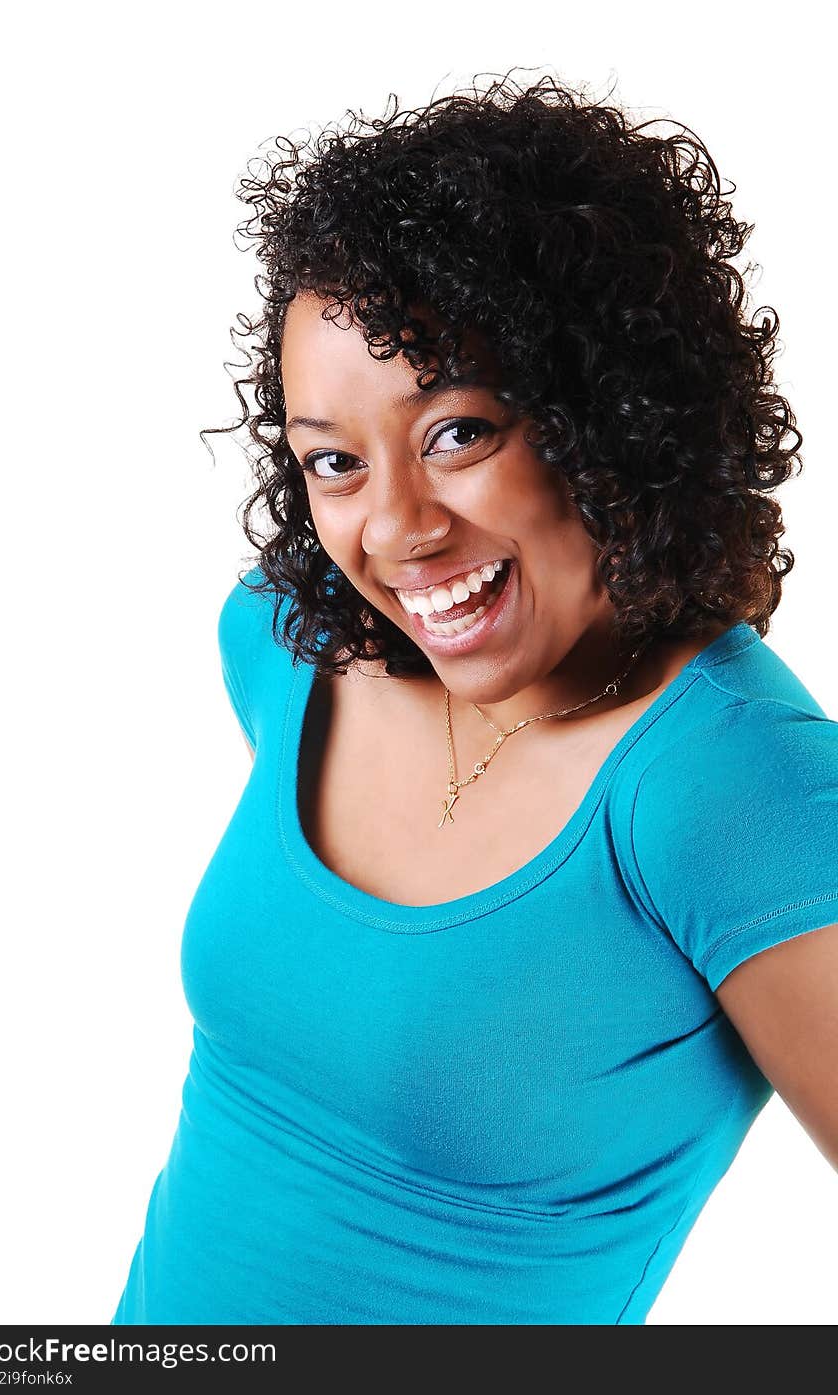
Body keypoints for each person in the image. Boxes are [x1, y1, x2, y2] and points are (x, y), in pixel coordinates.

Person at [111, 71, 838, 1326]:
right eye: (333, 461)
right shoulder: (285, 650)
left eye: (457, 432)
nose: (394, 527)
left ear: (610, 415)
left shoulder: (730, 785)